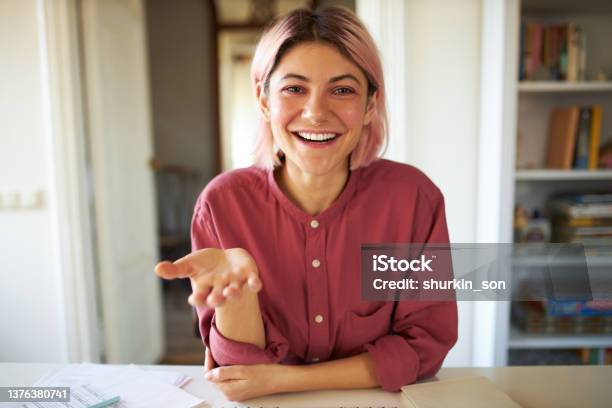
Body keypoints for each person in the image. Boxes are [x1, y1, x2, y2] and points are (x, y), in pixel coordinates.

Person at [155, 6, 457, 402]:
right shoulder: (221, 204)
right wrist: (239, 297)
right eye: (294, 89)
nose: (316, 112)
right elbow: (238, 374)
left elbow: (425, 347)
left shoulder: (415, 199)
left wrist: (283, 380)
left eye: (343, 90)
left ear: (370, 104)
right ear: (263, 101)